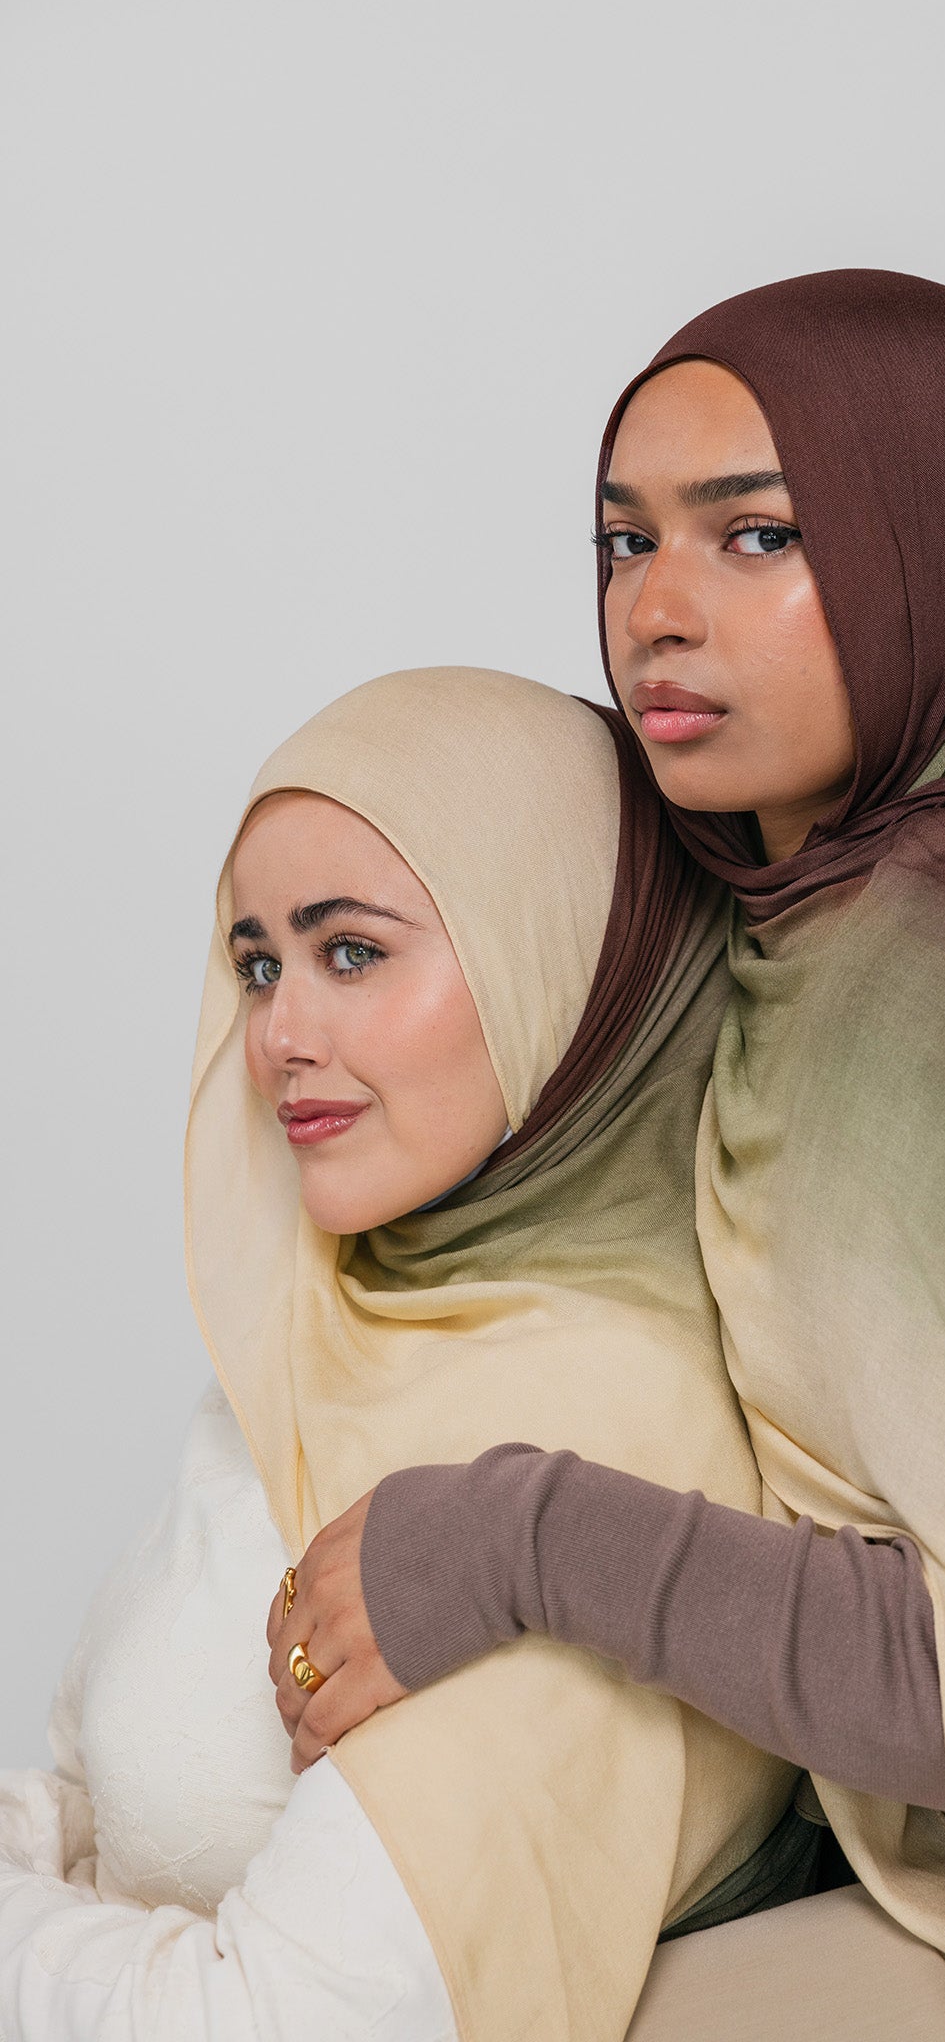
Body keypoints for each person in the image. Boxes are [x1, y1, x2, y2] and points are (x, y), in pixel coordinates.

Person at [276, 276, 945, 2040]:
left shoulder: (941, 997)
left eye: (760, 537)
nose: (658, 613)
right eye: (623, 542)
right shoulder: (886, 904)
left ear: (939, 556)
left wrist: (508, 1538)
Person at [0, 664, 798, 2041]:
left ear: (562, 960)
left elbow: (279, 2025)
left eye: (350, 953)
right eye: (258, 965)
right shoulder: (333, 1323)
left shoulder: (606, 1438)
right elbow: (75, 1796)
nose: (277, 1038)